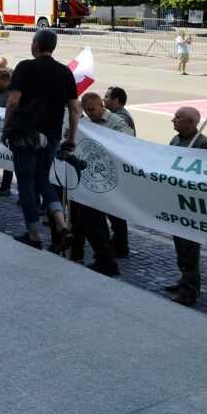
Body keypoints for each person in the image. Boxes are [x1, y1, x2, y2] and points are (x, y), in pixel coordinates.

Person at [3, 28, 78, 251]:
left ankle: (34, 235)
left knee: (26, 184)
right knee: (43, 180)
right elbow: (74, 109)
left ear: (35, 44)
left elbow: (13, 101)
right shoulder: (65, 72)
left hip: (25, 134)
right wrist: (71, 137)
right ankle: (61, 224)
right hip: (52, 135)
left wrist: (6, 128)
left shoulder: (25, 67)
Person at [70, 92, 133, 276]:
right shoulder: (86, 123)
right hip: (92, 180)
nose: (89, 113)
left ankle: (106, 259)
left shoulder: (116, 121)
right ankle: (104, 259)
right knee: (94, 218)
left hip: (109, 181)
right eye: (86, 110)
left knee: (87, 217)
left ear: (101, 106)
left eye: (92, 109)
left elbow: (128, 140)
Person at [164, 106, 207, 306]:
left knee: (190, 251)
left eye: (178, 118)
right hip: (176, 201)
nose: (173, 121)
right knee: (180, 247)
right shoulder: (175, 140)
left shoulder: (204, 144)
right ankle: (184, 279)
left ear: (191, 122)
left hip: (192, 206)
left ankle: (189, 291)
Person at [102, 85, 135, 256]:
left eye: (107, 97)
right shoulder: (118, 115)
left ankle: (121, 244)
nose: (104, 99)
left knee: (115, 210)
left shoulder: (120, 118)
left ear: (116, 100)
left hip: (117, 169)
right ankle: (118, 241)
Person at [0, 68, 15, 196]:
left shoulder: (12, 94)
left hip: (6, 130)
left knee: (6, 159)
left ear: (5, 80)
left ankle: (5, 186)